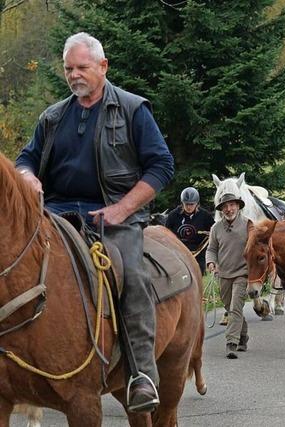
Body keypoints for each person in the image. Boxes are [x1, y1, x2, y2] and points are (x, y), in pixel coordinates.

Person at [15, 32, 173, 412]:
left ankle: (141, 376)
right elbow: (26, 159)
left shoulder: (134, 110)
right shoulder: (52, 116)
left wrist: (121, 209)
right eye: (69, 68)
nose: (74, 75)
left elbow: (161, 166)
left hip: (111, 217)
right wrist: (27, 176)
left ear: (103, 66)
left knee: (131, 277)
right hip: (54, 215)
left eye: (82, 67)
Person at [205, 192, 251, 359]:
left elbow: (255, 249)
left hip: (242, 273)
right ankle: (243, 336)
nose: (229, 209)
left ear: (238, 206)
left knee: (235, 308)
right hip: (223, 274)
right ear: (222, 209)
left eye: (232, 205)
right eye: (225, 206)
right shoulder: (216, 228)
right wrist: (211, 262)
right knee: (229, 307)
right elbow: (211, 249)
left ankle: (231, 342)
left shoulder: (248, 225)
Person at [165, 187, 215, 274]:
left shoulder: (205, 216)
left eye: (192, 204)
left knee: (198, 276)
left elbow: (215, 230)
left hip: (199, 253)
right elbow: (166, 233)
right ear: (182, 203)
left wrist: (210, 234)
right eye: (186, 204)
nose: (188, 207)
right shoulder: (173, 215)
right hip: (179, 252)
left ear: (197, 203)